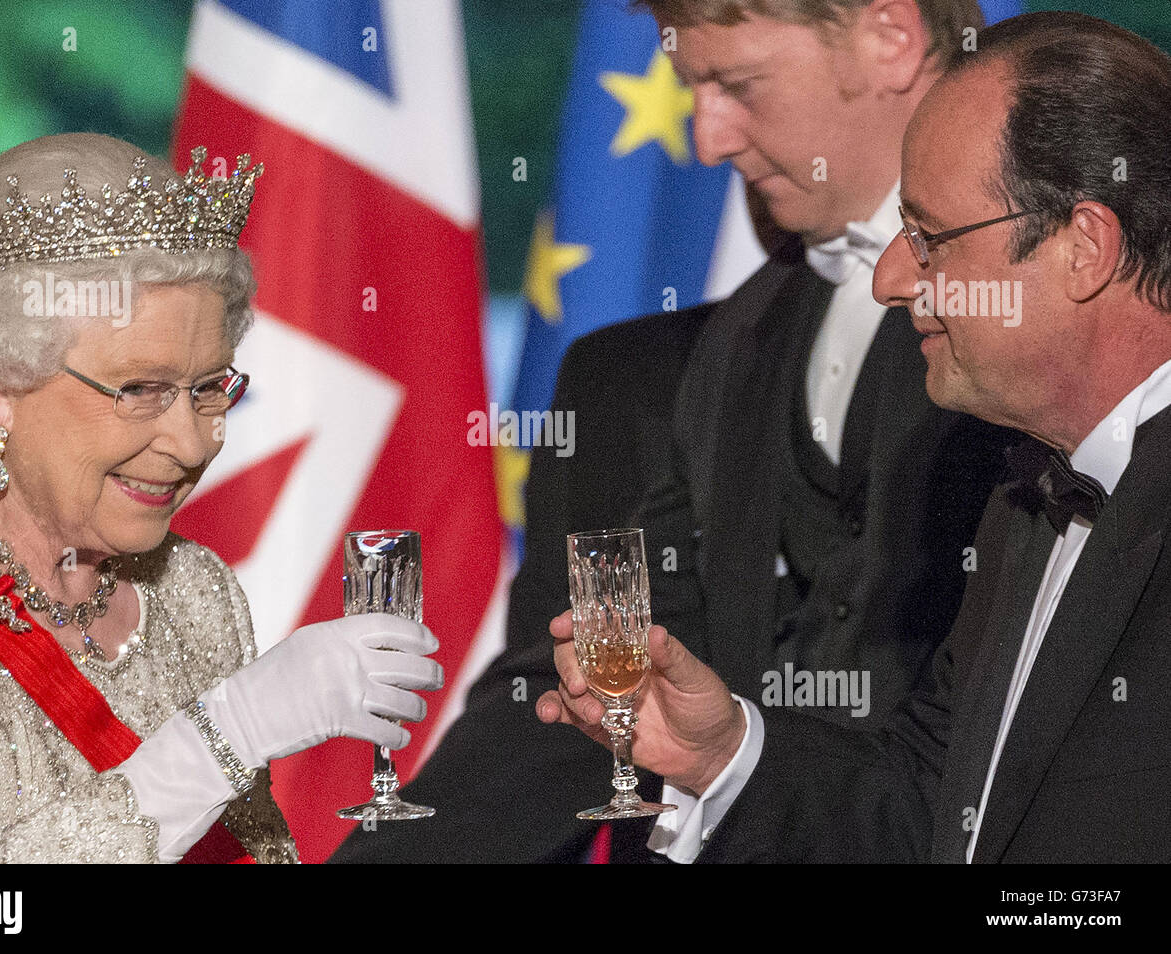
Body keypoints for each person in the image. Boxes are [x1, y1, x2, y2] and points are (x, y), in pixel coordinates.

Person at [333, 0, 1011, 864]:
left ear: (890, 36)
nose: (708, 141)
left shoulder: (1042, 333)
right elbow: (584, 688)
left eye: (737, 83)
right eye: (694, 90)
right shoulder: (714, 352)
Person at [541, 10, 1171, 863]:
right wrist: (722, 752)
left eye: (928, 238)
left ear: (1084, 246)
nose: (889, 278)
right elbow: (926, 811)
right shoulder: (1030, 506)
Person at [0, 133, 443, 863]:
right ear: (0, 383)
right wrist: (219, 741)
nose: (195, 443)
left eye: (209, 388)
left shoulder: (196, 592)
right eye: (140, 390)